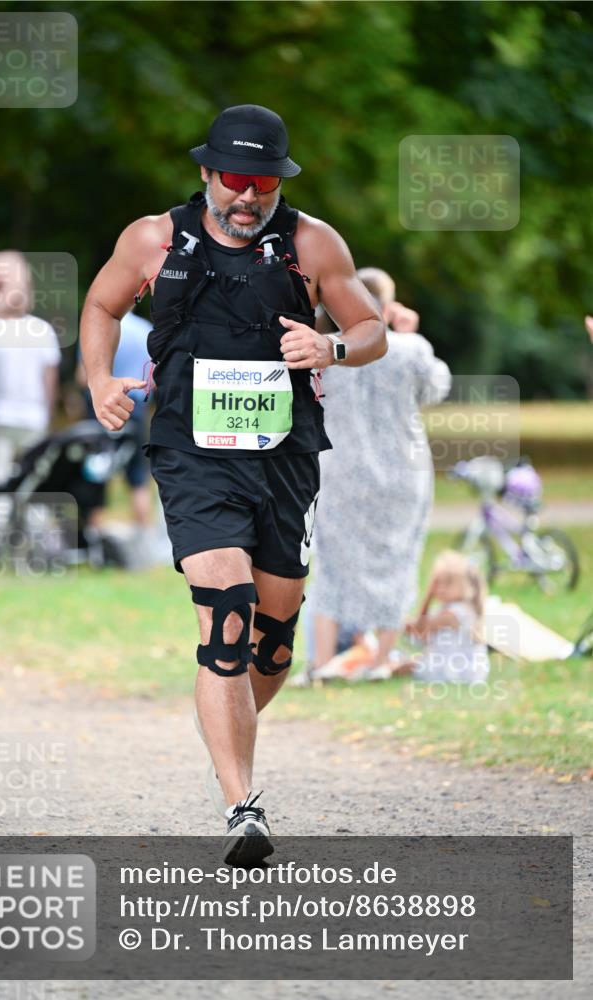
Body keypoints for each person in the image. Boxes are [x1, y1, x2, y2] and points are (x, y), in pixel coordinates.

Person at [79, 104, 387, 864]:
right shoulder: (154, 238)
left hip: (284, 459)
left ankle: (229, 722)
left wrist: (332, 343)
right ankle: (240, 804)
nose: (247, 198)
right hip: (190, 453)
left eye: (263, 185)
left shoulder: (312, 243)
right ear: (206, 174)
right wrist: (96, 378)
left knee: (271, 644)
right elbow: (100, 303)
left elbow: (373, 329)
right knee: (225, 614)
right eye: (233, 182)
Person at [308, 267, 451, 676]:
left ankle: (321, 663)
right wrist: (407, 332)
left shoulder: (325, 350)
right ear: (387, 306)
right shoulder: (409, 349)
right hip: (402, 474)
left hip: (339, 471)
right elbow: (436, 388)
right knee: (398, 559)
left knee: (332, 563)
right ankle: (381, 658)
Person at [0, 285, 61, 491]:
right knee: (34, 479)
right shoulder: (43, 330)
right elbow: (50, 378)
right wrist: (49, 415)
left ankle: (0, 522)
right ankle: (33, 522)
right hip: (34, 416)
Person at [75, 309, 154, 532]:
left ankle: (95, 533)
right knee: (138, 475)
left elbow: (83, 377)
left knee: (96, 471)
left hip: (103, 410)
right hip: (136, 409)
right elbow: (155, 378)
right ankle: (144, 534)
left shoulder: (95, 331)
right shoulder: (145, 330)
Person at [377, 550, 489, 684]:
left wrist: (428, 598)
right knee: (400, 657)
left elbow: (419, 629)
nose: (440, 589)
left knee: (401, 665)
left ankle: (377, 668)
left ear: (466, 586)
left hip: (456, 669)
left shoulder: (455, 613)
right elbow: (419, 634)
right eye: (437, 583)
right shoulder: (452, 609)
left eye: (448, 583)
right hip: (454, 664)